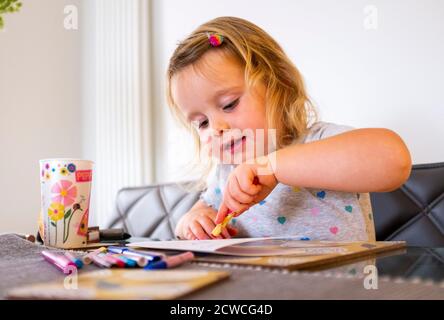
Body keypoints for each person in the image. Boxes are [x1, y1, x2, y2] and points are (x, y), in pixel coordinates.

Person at [167, 17, 411, 241]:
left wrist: (272, 166)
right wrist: (191, 221)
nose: (216, 128)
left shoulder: (318, 142)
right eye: (202, 123)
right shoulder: (226, 172)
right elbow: (203, 208)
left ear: (277, 84)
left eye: (229, 104)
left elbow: (394, 160)